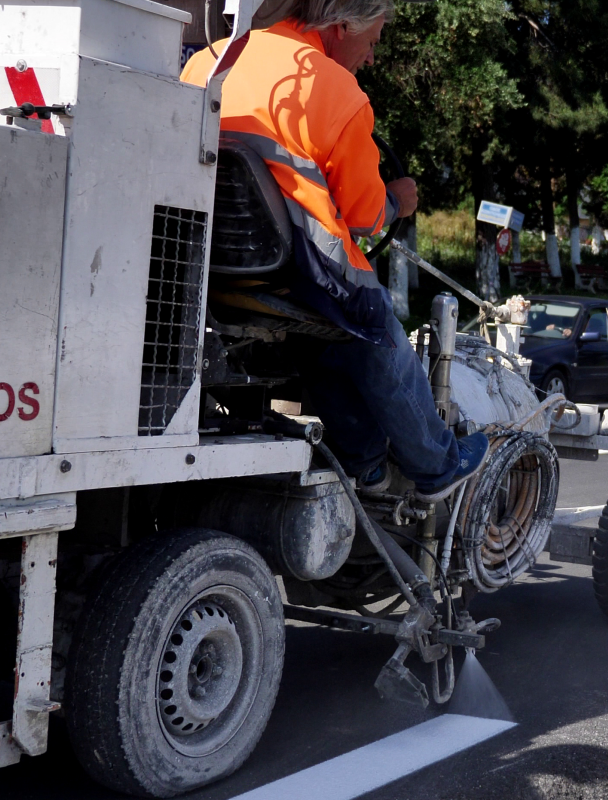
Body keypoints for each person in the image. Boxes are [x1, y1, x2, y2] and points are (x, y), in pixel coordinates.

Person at [181, 0, 485, 498]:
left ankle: (364, 462)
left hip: (210, 267)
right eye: (375, 39)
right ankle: (436, 463)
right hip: (295, 272)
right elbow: (364, 216)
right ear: (344, 26)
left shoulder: (209, 62)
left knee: (327, 330)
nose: (372, 57)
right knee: (372, 324)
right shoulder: (339, 93)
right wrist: (397, 201)